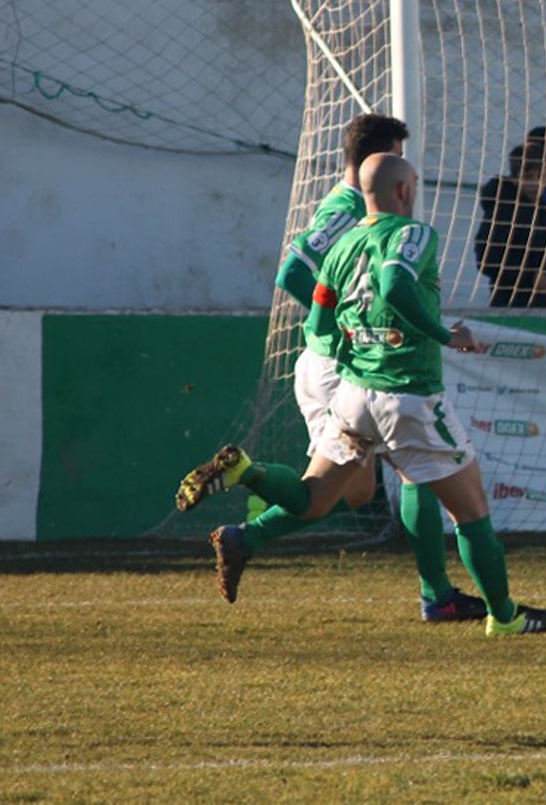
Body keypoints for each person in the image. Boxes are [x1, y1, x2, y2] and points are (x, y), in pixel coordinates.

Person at [175, 115, 486, 624]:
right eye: (399, 158)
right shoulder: (350, 210)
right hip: (344, 364)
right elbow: (292, 273)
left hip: (332, 362)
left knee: (349, 493)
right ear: (380, 160)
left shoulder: (350, 206)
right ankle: (438, 595)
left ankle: (245, 526)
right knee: (416, 471)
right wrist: (353, 327)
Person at [316, 152, 546, 637]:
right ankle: (505, 615)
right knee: (471, 510)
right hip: (408, 394)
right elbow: (394, 285)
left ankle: (249, 489)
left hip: (354, 392)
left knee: (314, 498)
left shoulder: (342, 242)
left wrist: (348, 357)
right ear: (404, 190)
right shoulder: (414, 233)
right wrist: (444, 334)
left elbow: (319, 320)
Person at [473, 140, 546, 307]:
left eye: (540, 177)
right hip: (511, 303)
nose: (535, 183)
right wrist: (531, 277)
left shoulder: (543, 210)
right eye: (528, 177)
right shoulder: (503, 210)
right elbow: (488, 260)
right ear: (515, 179)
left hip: (545, 303)